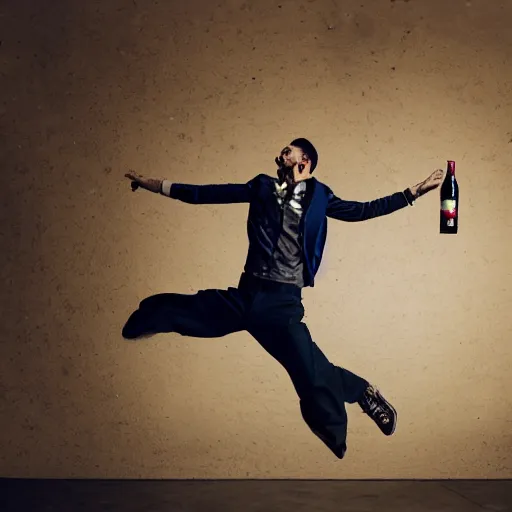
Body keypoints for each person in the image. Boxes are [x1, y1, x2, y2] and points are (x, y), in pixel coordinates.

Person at [123, 138, 444, 459]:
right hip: (247, 295)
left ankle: (361, 393)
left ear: (305, 161)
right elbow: (203, 194)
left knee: (312, 376)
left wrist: (413, 192)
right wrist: (154, 185)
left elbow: (363, 211)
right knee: (194, 312)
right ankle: (149, 318)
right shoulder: (261, 186)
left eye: (288, 151)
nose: (280, 154)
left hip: (282, 305)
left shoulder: (321, 196)